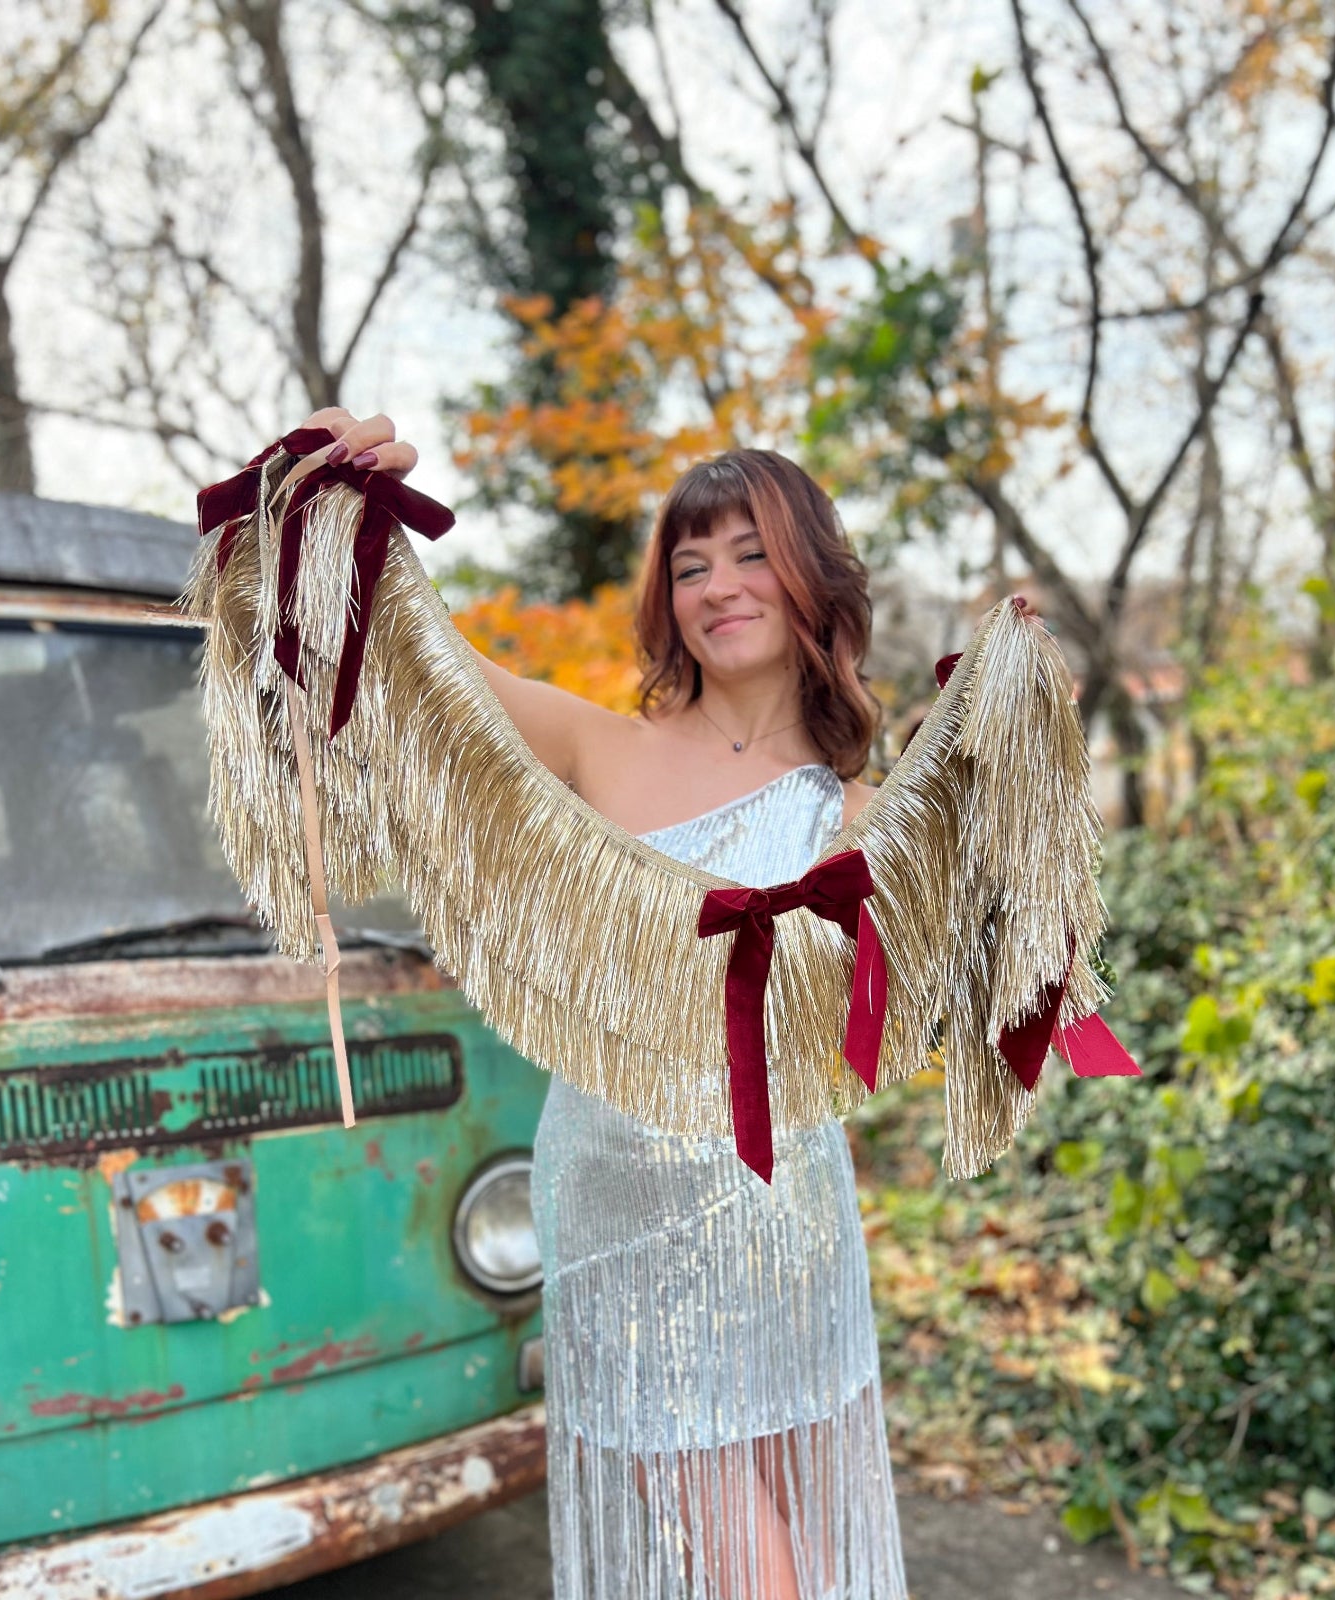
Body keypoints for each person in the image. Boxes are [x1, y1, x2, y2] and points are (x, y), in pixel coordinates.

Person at [281, 407, 908, 1600]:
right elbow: (410, 670)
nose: (718, 585)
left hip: (784, 1219)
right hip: (628, 1215)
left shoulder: (862, 815)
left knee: (823, 1558)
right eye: (689, 563)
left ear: (812, 578)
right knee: (747, 1574)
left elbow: (941, 981)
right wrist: (347, 510)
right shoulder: (592, 745)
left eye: (750, 552)